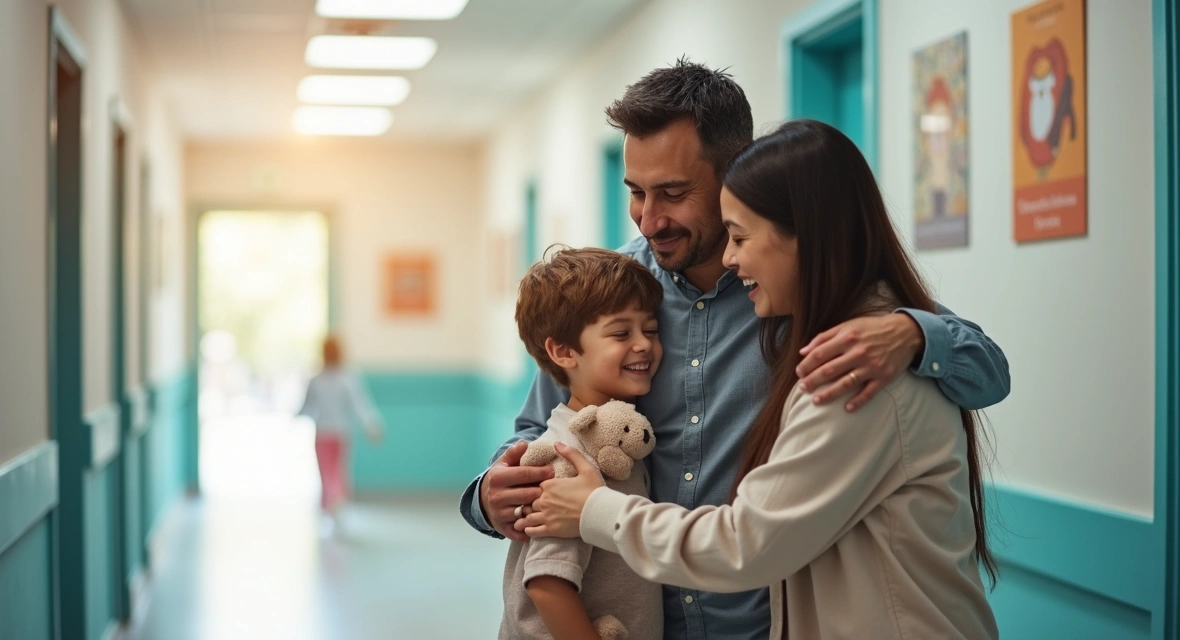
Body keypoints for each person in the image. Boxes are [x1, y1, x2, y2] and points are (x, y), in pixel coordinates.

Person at [460, 59, 1010, 639]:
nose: (649, 220)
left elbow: (988, 373)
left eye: (672, 193)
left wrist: (918, 333)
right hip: (651, 623)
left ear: (733, 174)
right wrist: (489, 497)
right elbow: (541, 431)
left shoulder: (819, 310)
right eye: (636, 193)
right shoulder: (613, 294)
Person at [500, 247, 664, 640]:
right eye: (621, 333)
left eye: (652, 330)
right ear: (563, 351)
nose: (643, 344)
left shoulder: (617, 434)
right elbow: (546, 583)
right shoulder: (569, 456)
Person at [298, 335, 383, 525]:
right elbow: (361, 405)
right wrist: (372, 425)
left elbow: (306, 407)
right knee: (337, 470)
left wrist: (294, 416)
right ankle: (336, 503)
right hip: (340, 433)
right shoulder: (346, 378)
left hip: (323, 433)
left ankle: (331, 504)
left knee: (327, 471)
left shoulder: (317, 380)